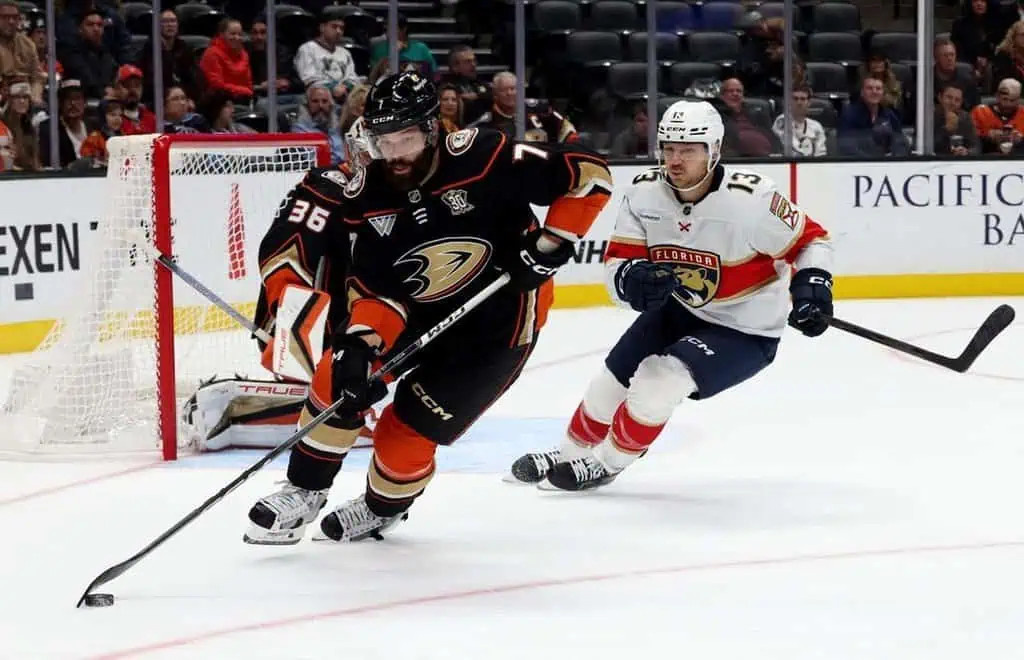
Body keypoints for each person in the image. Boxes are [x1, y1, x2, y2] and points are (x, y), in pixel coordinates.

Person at [244, 71, 613, 544]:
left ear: (432, 129)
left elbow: (589, 173)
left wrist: (552, 241)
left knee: (402, 436)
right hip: (415, 310)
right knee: (337, 375)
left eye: (406, 138)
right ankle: (303, 490)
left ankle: (382, 508)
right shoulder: (365, 195)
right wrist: (360, 344)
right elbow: (376, 287)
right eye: (384, 141)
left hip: (497, 323)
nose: (395, 154)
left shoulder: (483, 155)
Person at [506, 99, 834, 491]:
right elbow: (616, 263)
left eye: (688, 150)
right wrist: (631, 280)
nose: (675, 160)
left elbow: (813, 242)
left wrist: (814, 287)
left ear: (713, 151)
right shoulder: (645, 193)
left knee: (660, 380)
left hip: (744, 328)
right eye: (669, 148)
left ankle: (607, 462)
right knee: (608, 383)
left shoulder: (753, 201)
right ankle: (568, 453)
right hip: (679, 311)